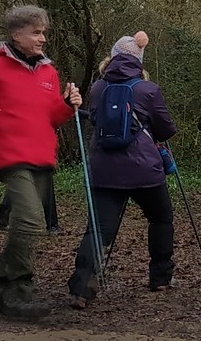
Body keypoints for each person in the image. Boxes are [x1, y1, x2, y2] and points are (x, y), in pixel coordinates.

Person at [0, 4, 83, 319]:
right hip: (12, 155)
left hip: (43, 155)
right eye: (36, 32)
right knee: (31, 221)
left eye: (43, 32)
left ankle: (0, 292)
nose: (42, 38)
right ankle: (20, 291)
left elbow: (53, 116)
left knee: (22, 225)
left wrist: (69, 105)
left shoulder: (48, 71)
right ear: (17, 35)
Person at [70, 35, 177, 307]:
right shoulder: (147, 88)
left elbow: (93, 120)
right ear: (138, 60)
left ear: (113, 57)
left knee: (99, 228)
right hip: (144, 170)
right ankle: (160, 278)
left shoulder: (97, 87)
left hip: (104, 170)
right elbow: (166, 130)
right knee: (161, 218)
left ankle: (81, 286)